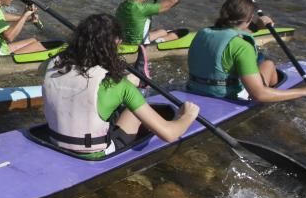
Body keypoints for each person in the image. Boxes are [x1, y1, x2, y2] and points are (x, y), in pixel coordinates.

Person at [43, 13, 200, 159]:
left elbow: (73, 72)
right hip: (94, 155)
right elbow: (169, 134)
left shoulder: (51, 66)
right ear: (116, 43)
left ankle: (137, 80)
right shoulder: (118, 84)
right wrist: (187, 116)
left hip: (56, 142)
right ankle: (140, 81)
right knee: (132, 111)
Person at [187, 0, 306, 102]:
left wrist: (256, 27)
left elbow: (228, 34)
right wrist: (305, 91)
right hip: (223, 97)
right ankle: (276, 96)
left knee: (265, 62)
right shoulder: (242, 46)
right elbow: (259, 95)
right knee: (268, 65)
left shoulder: (203, 33)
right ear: (249, 18)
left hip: (194, 89)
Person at [114, 0, 182, 45]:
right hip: (140, 45)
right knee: (173, 35)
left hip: (124, 41)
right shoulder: (144, 8)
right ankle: (161, 41)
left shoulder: (121, 6)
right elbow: (174, 0)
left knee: (162, 31)